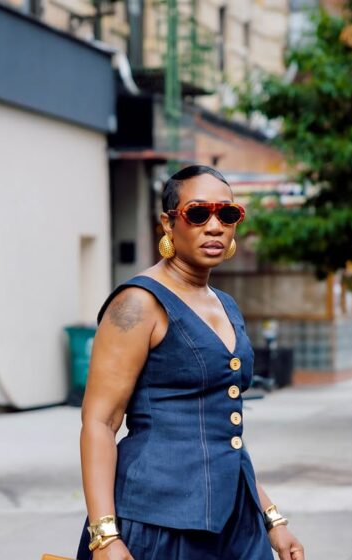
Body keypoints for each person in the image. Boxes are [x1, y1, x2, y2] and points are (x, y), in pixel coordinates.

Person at [77, 165, 305, 560]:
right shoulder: (137, 303)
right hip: (158, 522)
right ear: (168, 223)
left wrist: (272, 518)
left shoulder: (226, 305)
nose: (215, 226)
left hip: (236, 521)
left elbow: (224, 433)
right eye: (198, 213)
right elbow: (100, 422)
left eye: (227, 214)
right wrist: (105, 536)